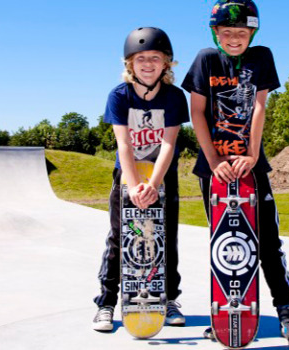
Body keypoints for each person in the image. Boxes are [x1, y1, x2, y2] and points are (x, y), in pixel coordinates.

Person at [182, 0, 289, 347]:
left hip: (251, 168)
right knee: (225, 242)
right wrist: (212, 160)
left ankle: (287, 312)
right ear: (215, 32)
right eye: (227, 32)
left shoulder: (262, 56)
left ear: (252, 32)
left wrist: (252, 154)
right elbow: (197, 112)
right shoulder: (206, 59)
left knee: (268, 242)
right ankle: (224, 313)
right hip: (214, 171)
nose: (234, 38)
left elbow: (259, 106)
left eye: (241, 32)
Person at [93, 27, 189, 331]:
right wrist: (134, 185)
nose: (148, 63)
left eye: (155, 58)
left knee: (165, 238)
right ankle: (107, 303)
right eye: (141, 58)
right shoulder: (119, 96)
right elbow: (123, 145)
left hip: (162, 174)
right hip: (128, 174)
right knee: (119, 238)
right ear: (129, 64)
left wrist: (155, 182)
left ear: (166, 64)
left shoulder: (174, 97)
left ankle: (169, 299)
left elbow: (169, 144)